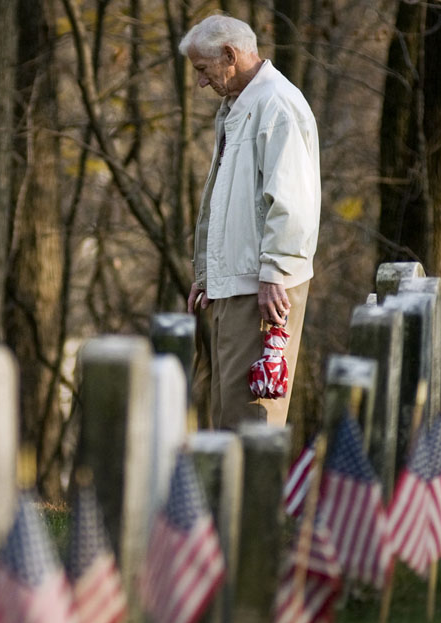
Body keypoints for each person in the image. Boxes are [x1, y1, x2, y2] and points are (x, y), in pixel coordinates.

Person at [180, 15, 321, 430]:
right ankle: (226, 497)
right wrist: (207, 273)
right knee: (226, 413)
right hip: (237, 283)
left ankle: (252, 499)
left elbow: (292, 199)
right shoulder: (240, 108)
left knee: (252, 418)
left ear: (230, 55)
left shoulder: (276, 105)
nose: (202, 84)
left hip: (263, 287)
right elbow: (228, 205)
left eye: (203, 70)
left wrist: (275, 271)